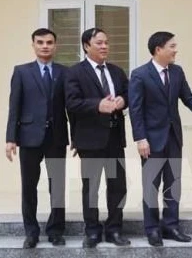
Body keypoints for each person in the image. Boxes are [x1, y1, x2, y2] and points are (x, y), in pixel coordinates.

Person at [129, 31, 192, 247]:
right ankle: (152, 229)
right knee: (151, 185)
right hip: (150, 140)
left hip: (173, 138)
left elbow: (187, 97)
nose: (175, 50)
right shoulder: (140, 74)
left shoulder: (176, 72)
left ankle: (171, 226)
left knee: (173, 184)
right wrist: (140, 138)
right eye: (172, 46)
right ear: (158, 49)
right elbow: (136, 110)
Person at [65, 28, 130, 248]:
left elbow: (129, 94)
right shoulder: (75, 72)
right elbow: (71, 103)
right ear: (86, 46)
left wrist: (122, 100)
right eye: (99, 43)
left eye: (106, 43)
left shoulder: (116, 71)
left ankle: (114, 229)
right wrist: (97, 105)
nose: (104, 47)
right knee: (91, 187)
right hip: (90, 140)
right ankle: (92, 230)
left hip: (114, 137)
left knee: (118, 187)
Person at [5, 28, 69, 248]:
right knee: (29, 186)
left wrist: (76, 136)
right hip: (29, 137)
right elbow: (14, 106)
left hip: (57, 137)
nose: (45, 46)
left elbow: (71, 108)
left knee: (57, 186)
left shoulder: (64, 72)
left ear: (55, 45)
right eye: (40, 42)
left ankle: (56, 230)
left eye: (49, 42)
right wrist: (10, 138)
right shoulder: (22, 72)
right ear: (33, 45)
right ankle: (31, 232)